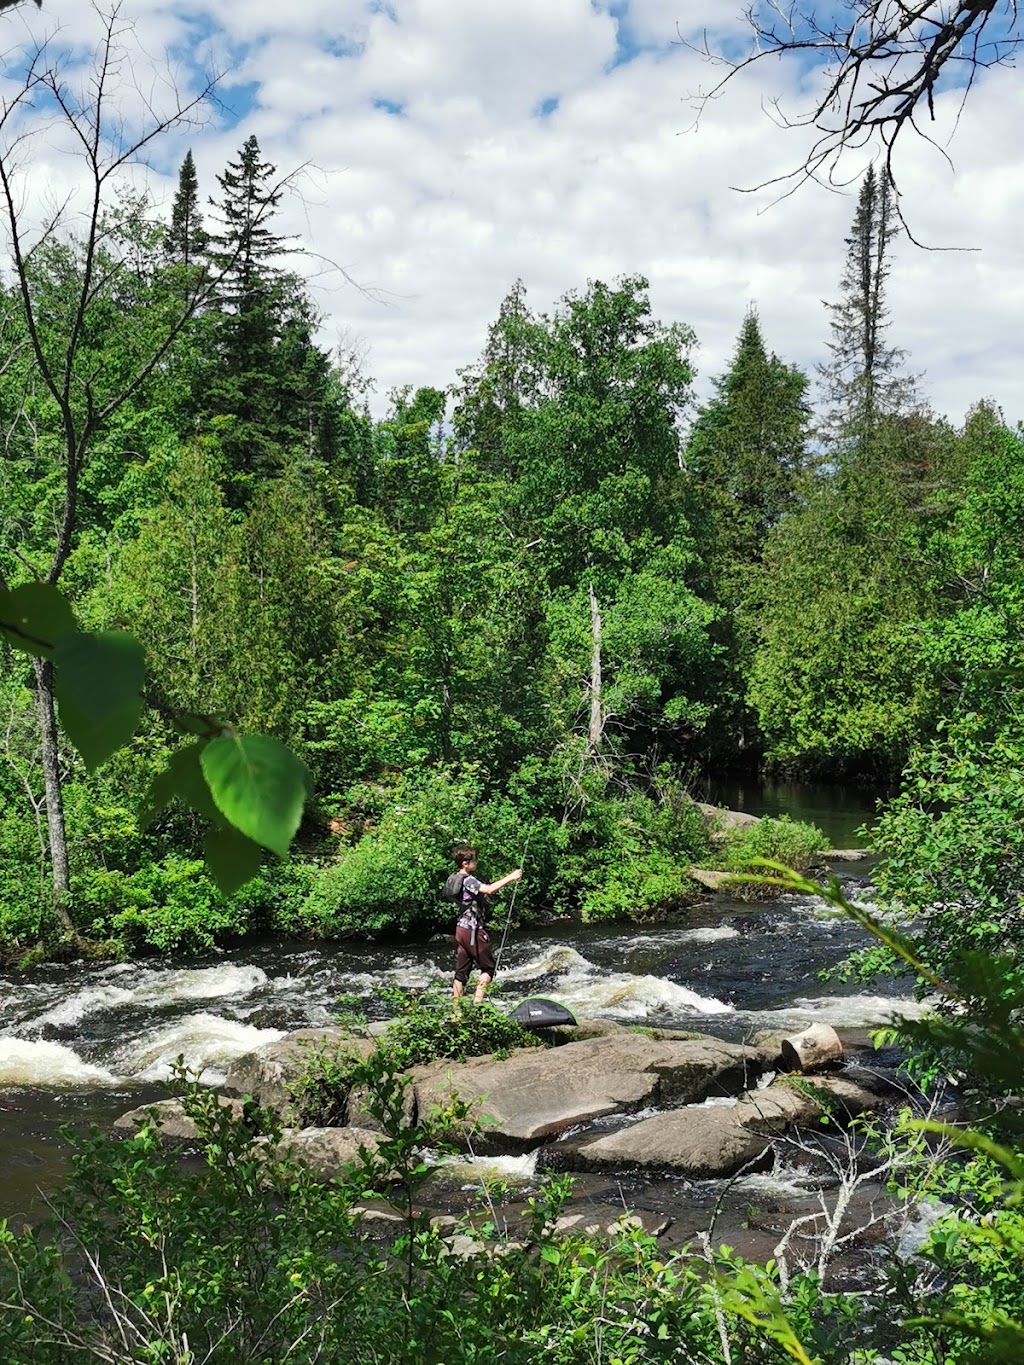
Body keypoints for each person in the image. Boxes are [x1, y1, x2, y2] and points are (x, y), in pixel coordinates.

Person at [449, 845, 523, 1004]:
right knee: (489, 968)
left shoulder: (455, 878)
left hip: (461, 929)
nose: (476, 863)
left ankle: (456, 1012)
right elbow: (489, 890)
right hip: (473, 931)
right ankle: (478, 1007)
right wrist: (511, 877)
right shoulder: (468, 880)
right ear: (465, 863)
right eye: (473, 860)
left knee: (461, 973)